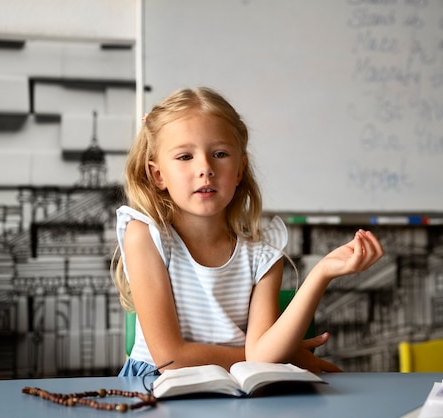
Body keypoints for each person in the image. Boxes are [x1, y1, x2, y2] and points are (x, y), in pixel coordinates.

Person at [112, 87, 384, 376]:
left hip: (237, 384)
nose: (205, 168)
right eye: (184, 157)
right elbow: (169, 359)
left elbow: (261, 355)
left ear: (240, 170)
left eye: (219, 154)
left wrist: (322, 272)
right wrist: (285, 357)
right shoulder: (145, 236)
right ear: (158, 175)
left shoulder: (263, 253)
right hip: (156, 386)